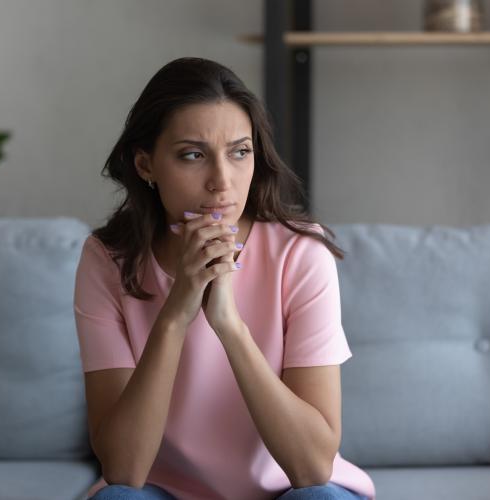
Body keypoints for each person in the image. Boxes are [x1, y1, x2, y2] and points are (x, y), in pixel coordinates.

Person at [73, 57, 375, 500]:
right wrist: (177, 312)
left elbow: (312, 467)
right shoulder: (107, 261)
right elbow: (123, 467)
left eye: (239, 152)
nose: (222, 182)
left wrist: (229, 325)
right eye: (192, 155)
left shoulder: (301, 253)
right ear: (145, 165)